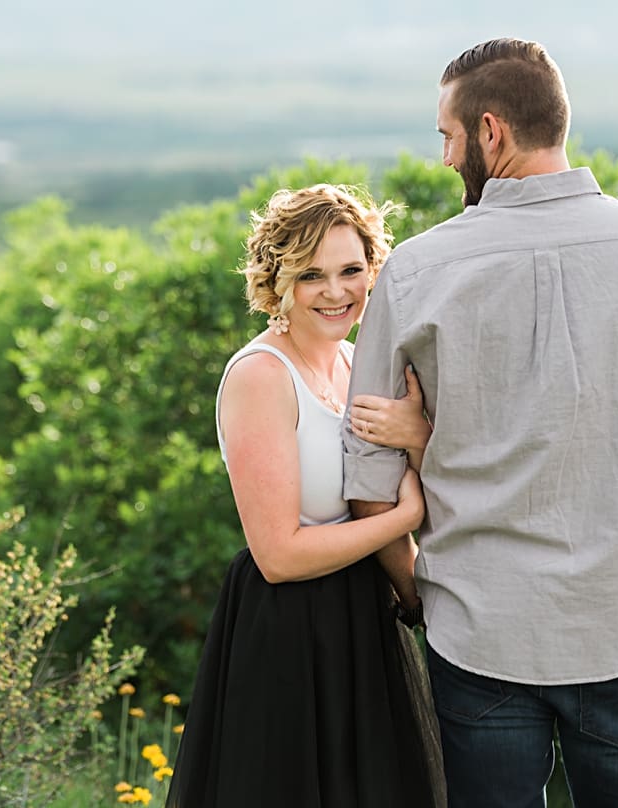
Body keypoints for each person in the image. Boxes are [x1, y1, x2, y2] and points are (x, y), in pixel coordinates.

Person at [342, 37, 618, 807]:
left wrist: (421, 594)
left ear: (490, 132)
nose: (444, 158)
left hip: (475, 635)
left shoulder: (416, 270)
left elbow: (369, 479)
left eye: (447, 136)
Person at [167, 184, 446, 808]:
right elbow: (279, 555)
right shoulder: (261, 376)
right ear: (278, 280)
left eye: (352, 270)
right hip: (289, 631)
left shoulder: (357, 364)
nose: (336, 291)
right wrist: (403, 517)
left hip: (364, 621)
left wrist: (419, 440)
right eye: (311, 275)